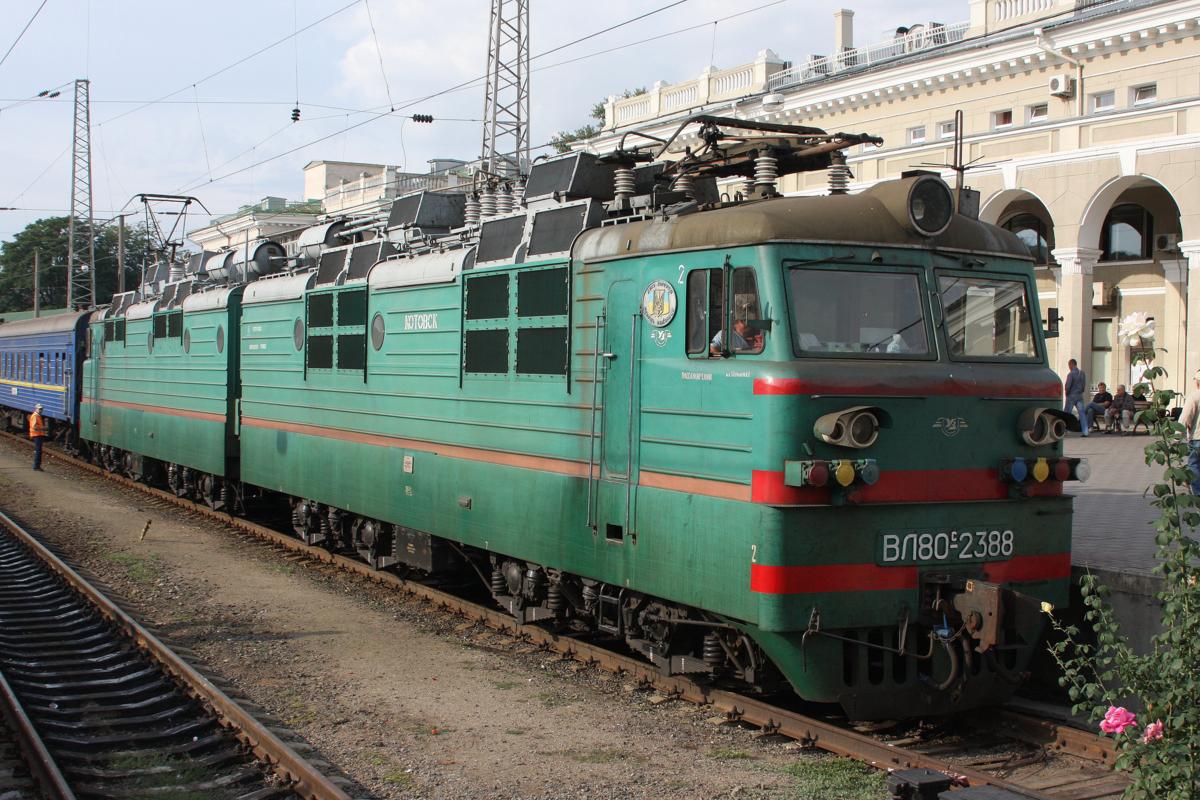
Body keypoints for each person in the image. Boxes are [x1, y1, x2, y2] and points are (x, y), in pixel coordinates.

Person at [1180, 371, 1200, 494]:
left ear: (1197, 382)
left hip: (1197, 438)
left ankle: (1198, 496)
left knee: (1194, 466)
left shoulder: (1194, 396)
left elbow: (1185, 417)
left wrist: (1176, 437)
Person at [1063, 358, 1088, 437]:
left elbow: (1068, 386)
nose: (1069, 367)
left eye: (1069, 365)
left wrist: (1066, 394)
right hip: (1079, 395)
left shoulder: (1070, 374)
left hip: (1071, 396)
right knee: (1082, 413)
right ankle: (1085, 431)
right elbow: (1084, 385)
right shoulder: (1082, 373)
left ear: (1071, 364)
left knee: (1067, 413)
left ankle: (1064, 430)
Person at [28, 403, 47, 471]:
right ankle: (36, 466)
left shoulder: (38, 416)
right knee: (38, 451)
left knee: (39, 451)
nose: (40, 410)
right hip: (36, 435)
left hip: (38, 435)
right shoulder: (35, 416)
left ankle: (37, 465)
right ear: (36, 409)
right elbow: (35, 427)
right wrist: (43, 428)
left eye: (41, 409)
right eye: (39, 409)